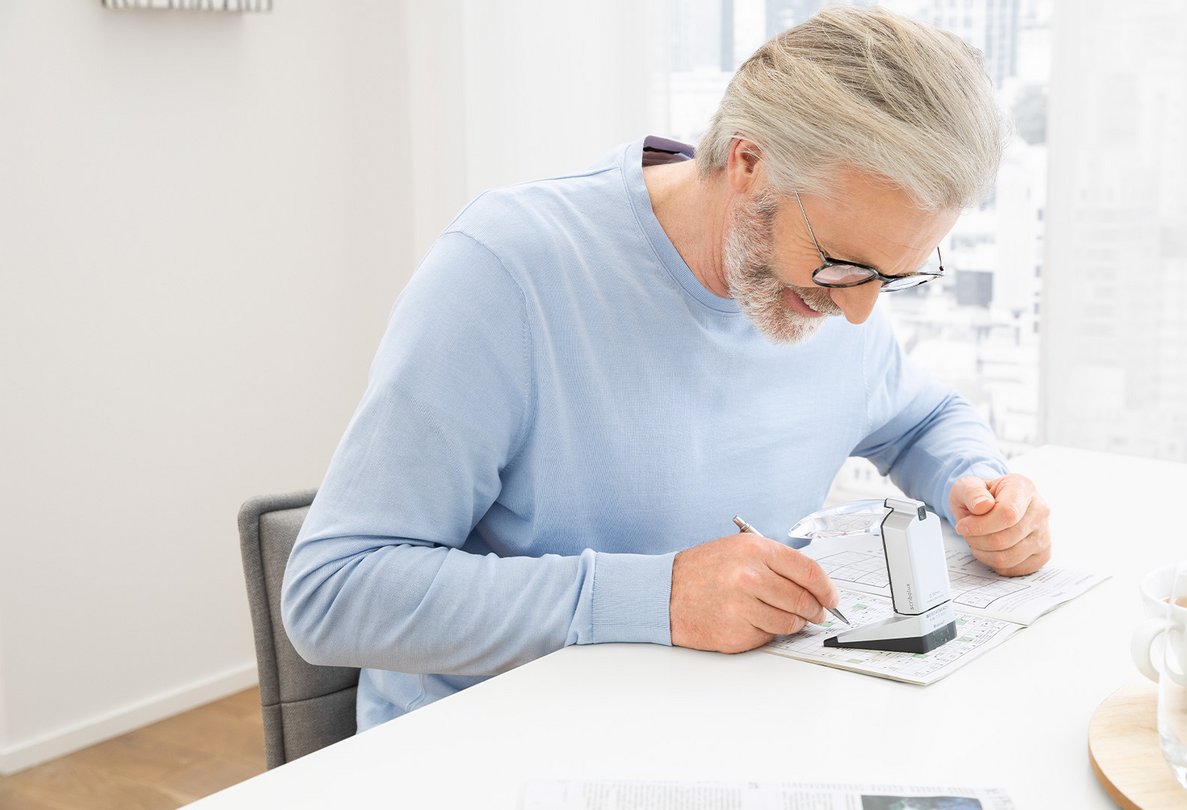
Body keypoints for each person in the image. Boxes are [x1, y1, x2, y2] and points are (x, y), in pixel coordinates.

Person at [282, 6, 1052, 732]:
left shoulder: (833, 286)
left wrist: (975, 485)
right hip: (496, 745)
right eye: (843, 266)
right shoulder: (509, 271)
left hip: (718, 728)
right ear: (749, 162)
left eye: (895, 276)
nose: (859, 313)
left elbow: (920, 417)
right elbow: (334, 593)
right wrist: (658, 597)